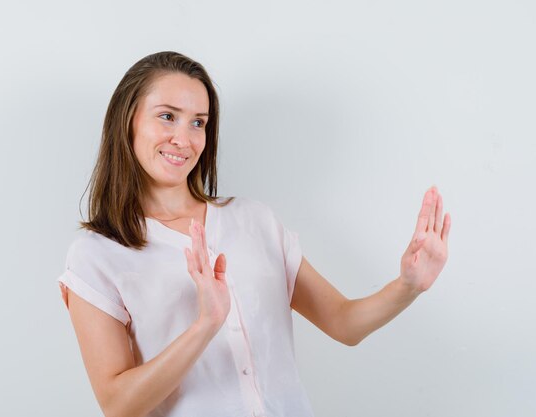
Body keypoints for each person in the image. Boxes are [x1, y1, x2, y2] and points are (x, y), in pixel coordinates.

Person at [57, 51, 451, 417]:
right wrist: (206, 324)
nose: (185, 138)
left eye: (199, 122)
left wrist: (408, 285)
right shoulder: (97, 255)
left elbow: (344, 323)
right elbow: (117, 404)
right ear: (127, 119)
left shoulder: (254, 221)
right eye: (167, 116)